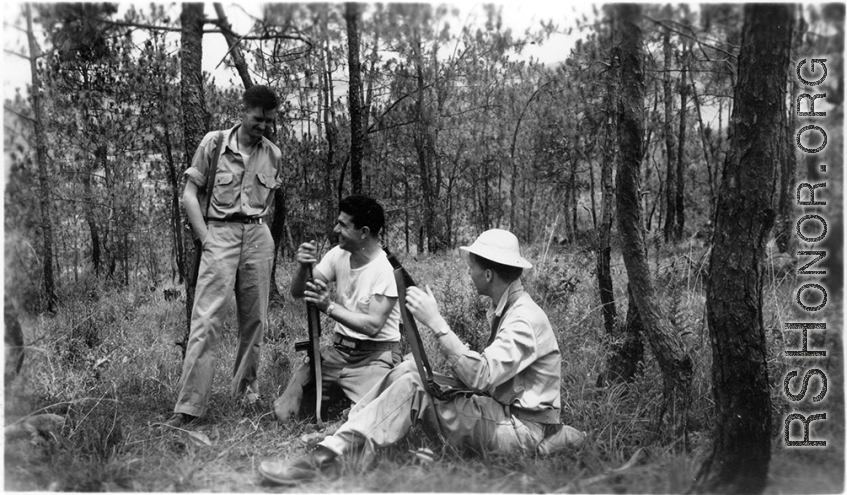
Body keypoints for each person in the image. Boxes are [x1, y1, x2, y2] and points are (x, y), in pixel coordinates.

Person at [258, 229, 586, 485]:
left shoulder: (524, 319)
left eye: (472, 268)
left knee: (414, 386)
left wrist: (436, 322)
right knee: (409, 369)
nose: (468, 274)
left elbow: (481, 376)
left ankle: (327, 459)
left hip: (519, 428)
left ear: (488, 275)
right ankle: (346, 432)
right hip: (501, 412)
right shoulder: (509, 308)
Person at [163, 85, 282, 428]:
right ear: (243, 112)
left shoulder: (273, 154)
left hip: (257, 236)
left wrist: (260, 232)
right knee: (206, 321)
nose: (263, 127)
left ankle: (245, 394)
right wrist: (207, 238)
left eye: (269, 121)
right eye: (258, 119)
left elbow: (267, 202)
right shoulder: (213, 143)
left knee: (255, 320)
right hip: (220, 234)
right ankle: (188, 407)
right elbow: (188, 195)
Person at [273, 194, 402, 424]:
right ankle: (337, 400)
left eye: (343, 225)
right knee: (286, 414)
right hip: (338, 353)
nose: (336, 229)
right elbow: (299, 292)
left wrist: (329, 306)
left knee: (372, 422)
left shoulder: (385, 269)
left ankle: (351, 405)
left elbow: (373, 325)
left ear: (363, 232)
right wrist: (304, 267)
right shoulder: (338, 255)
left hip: (373, 357)